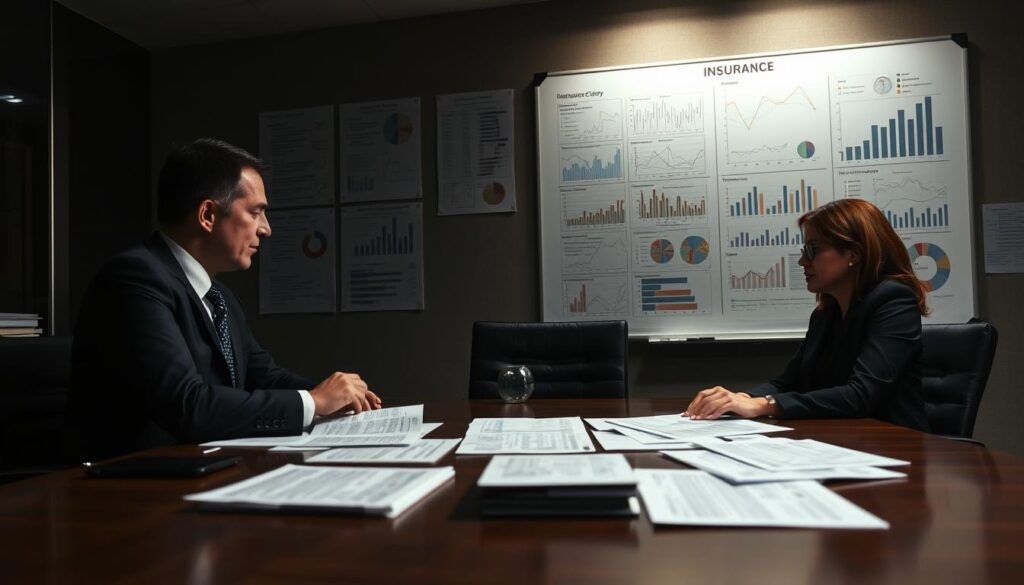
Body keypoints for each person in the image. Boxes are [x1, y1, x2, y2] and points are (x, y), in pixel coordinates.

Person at [69, 138, 381, 460]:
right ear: (208, 215)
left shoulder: (219, 297)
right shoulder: (134, 278)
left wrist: (339, 399)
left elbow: (265, 376)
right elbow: (188, 406)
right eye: (256, 212)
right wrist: (314, 402)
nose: (266, 229)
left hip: (202, 469)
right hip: (129, 486)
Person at [684, 198, 931, 432]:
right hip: (842, 441)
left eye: (813, 250)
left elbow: (861, 394)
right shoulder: (826, 314)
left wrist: (763, 404)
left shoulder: (893, 301)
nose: (802, 261)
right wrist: (741, 399)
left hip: (896, 447)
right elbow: (788, 382)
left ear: (853, 254)